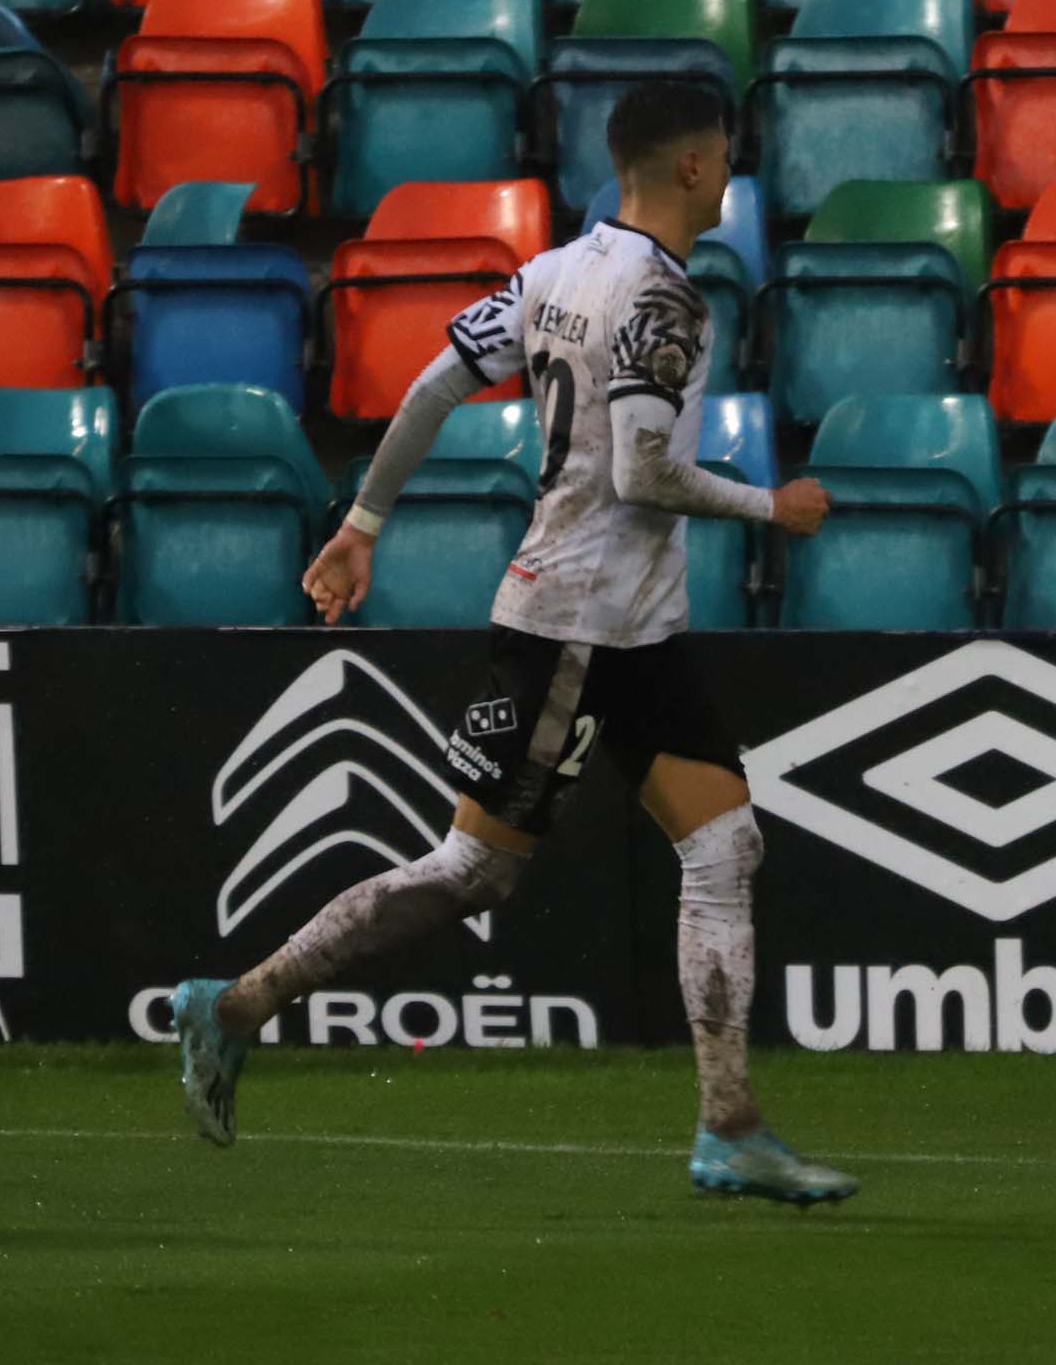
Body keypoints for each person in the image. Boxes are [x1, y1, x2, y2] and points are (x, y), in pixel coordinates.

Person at [170, 81, 853, 1208]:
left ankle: (729, 1126)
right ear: (690, 166)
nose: (731, 173)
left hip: (634, 629)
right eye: (724, 154)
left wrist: (363, 522)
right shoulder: (664, 297)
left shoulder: (552, 273)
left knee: (725, 846)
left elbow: (435, 384)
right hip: (578, 626)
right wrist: (767, 505)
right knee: (474, 870)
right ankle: (237, 1003)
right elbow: (643, 470)